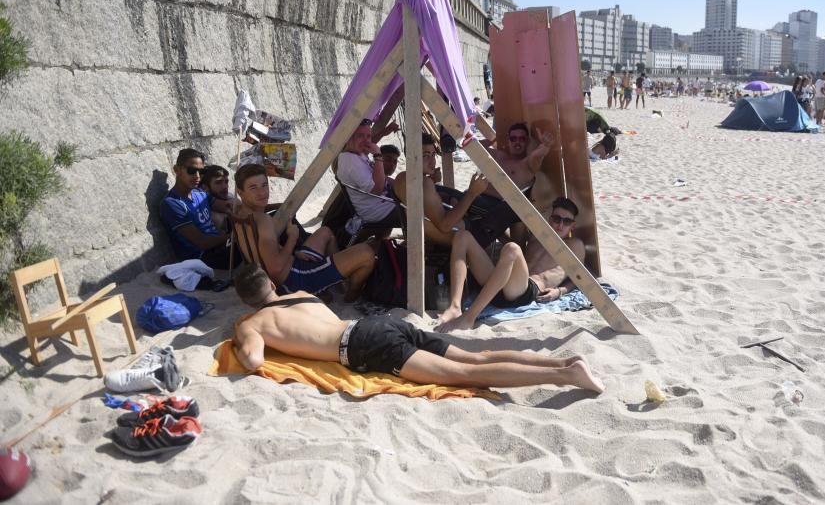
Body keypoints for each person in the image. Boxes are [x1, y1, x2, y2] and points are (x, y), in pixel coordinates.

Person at [232, 265, 603, 392]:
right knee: (477, 356)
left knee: (461, 376)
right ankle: (561, 363)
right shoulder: (298, 293)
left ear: (249, 300)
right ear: (271, 283)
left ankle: (566, 376)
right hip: (377, 324)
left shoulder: (255, 321)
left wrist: (240, 334)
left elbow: (252, 360)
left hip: (362, 345)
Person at [437, 198, 586, 333]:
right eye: (556, 218)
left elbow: (583, 277)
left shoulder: (574, 245)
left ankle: (469, 317)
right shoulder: (537, 236)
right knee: (462, 236)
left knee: (512, 249)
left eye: (566, 222)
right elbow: (515, 243)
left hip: (525, 290)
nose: (560, 225)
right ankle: (454, 306)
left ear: (572, 225)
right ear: (549, 218)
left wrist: (560, 291)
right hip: (499, 284)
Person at [232, 163, 376, 300]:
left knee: (325, 231)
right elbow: (275, 268)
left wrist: (294, 253)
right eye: (253, 188)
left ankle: (336, 281)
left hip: (286, 273)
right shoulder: (263, 220)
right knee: (367, 253)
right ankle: (350, 296)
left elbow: (262, 253)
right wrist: (292, 238)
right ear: (240, 192)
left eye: (264, 185)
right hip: (297, 280)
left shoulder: (239, 214)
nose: (262, 192)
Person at [393, 133, 490, 246]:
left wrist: (432, 181)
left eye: (433, 154)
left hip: (426, 236)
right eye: (426, 155)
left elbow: (420, 203)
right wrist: (472, 193)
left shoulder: (401, 178)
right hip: (456, 236)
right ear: (411, 156)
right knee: (505, 212)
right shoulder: (424, 183)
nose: (432, 161)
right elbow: (445, 226)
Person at [159, 148, 234, 269]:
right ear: (177, 170)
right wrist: (233, 236)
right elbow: (202, 242)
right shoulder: (171, 204)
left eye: (201, 171)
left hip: (220, 245)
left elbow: (229, 207)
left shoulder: (199, 193)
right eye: (192, 171)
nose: (197, 176)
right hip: (203, 257)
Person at [336, 120, 401, 230]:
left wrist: (385, 131)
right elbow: (377, 190)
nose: (366, 141)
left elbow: (367, 144)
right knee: (420, 209)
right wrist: (378, 156)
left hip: (385, 204)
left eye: (368, 136)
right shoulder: (350, 162)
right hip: (379, 212)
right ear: (348, 136)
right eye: (360, 135)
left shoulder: (356, 154)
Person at [201, 165, 234, 233]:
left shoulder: (231, 197)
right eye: (218, 182)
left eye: (226, 181)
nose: (225, 186)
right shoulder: (204, 213)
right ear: (205, 187)